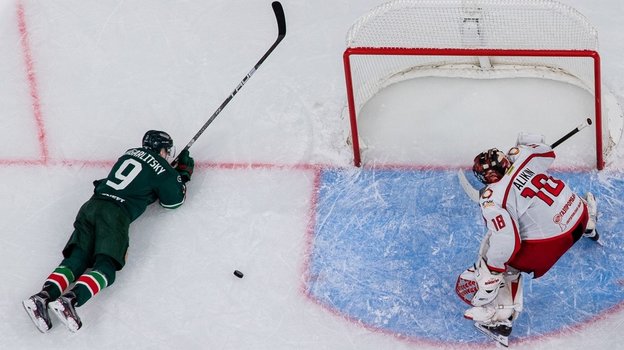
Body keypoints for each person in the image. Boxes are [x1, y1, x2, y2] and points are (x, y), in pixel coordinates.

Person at [22, 130, 195, 333]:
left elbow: (142, 176)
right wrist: (181, 174)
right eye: (168, 151)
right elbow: (173, 202)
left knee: (77, 259)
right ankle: (70, 300)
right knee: (106, 266)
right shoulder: (163, 168)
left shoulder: (130, 153)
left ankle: (41, 298)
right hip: (115, 214)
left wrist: (167, 172)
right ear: (163, 149)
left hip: (92, 206)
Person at [455, 133, 599, 347]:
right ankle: (590, 226)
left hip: (557, 242)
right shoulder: (525, 157)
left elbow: (506, 241)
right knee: (553, 200)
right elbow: (548, 152)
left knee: (499, 255)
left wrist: (493, 269)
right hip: (579, 214)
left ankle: (501, 319)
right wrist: (522, 146)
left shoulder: (493, 199)